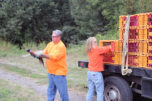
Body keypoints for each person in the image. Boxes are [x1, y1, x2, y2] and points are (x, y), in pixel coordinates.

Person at [34, 29, 69, 101]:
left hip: (59, 73)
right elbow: (45, 52)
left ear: (59, 37)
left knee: (63, 93)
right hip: (51, 72)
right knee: (50, 91)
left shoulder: (61, 46)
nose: (53, 38)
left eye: (55, 37)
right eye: (52, 36)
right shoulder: (50, 44)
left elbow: (54, 57)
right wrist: (37, 54)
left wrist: (42, 55)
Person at [85, 37, 114, 101]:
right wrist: (112, 44)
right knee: (100, 92)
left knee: (90, 91)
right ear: (91, 44)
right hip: (96, 73)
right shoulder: (97, 49)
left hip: (89, 73)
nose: (96, 43)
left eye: (96, 41)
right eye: (94, 42)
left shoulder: (90, 50)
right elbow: (108, 48)